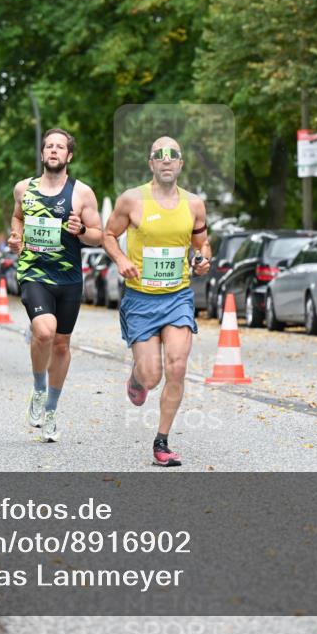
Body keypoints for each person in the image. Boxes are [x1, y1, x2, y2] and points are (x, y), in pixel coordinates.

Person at [103, 137, 212, 467]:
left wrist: (201, 260)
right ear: (151, 163)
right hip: (140, 298)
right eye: (159, 156)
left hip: (178, 296)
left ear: (180, 164)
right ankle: (138, 378)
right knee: (152, 377)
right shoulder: (132, 200)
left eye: (173, 156)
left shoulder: (194, 204)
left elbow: (202, 244)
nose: (166, 161)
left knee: (177, 366)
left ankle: (162, 441)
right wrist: (121, 259)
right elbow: (108, 235)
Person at [8, 128, 103, 442]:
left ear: (69, 156)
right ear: (42, 154)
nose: (53, 150)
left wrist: (81, 230)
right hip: (34, 273)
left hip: (69, 279)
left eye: (59, 147)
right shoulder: (24, 188)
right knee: (44, 331)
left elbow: (99, 236)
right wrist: (15, 237)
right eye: (48, 146)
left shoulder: (82, 193)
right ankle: (38, 388)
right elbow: (18, 218)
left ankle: (50, 411)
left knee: (61, 344)